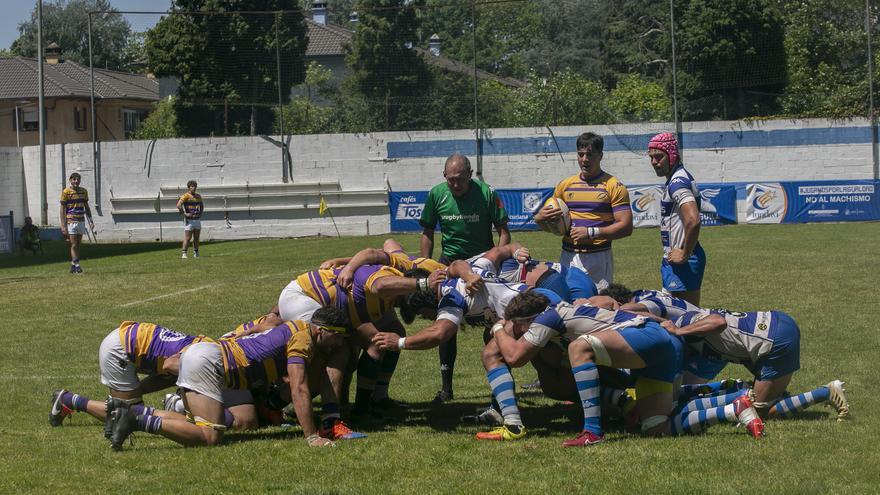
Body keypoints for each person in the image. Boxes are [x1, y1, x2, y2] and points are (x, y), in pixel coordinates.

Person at [482, 291, 764, 442]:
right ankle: (732, 405)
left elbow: (516, 357)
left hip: (647, 337)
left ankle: (592, 431)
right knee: (655, 426)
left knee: (578, 348)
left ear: (525, 320)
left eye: (516, 326)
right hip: (660, 344)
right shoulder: (559, 314)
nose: (515, 331)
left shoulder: (546, 317)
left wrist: (497, 327)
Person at [108, 307, 351, 450]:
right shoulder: (303, 338)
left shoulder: (297, 327)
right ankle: (134, 419)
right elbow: (299, 389)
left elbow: (264, 329)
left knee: (196, 426)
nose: (339, 344)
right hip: (211, 363)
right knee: (209, 436)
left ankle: (133, 415)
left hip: (208, 356)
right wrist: (311, 436)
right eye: (338, 337)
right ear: (322, 330)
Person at [419, 153, 511, 404]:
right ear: (444, 177)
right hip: (449, 266)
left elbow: (504, 231)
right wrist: (425, 267)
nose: (455, 185)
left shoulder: (487, 193)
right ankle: (446, 388)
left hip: (482, 267)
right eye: (451, 180)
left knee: (494, 323)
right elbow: (427, 232)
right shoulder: (436, 194)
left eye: (460, 179)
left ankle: (499, 388)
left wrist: (498, 259)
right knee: (447, 325)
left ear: (470, 174)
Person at [667, 309, 849, 422]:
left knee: (760, 411)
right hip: (776, 321)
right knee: (765, 396)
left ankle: (827, 392)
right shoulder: (687, 325)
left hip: (775, 340)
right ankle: (774, 392)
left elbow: (718, 322)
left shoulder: (684, 328)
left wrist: (678, 331)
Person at [49, 321, 216, 437]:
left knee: (136, 405)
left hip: (130, 341)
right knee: (125, 413)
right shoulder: (205, 359)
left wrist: (138, 390)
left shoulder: (208, 348)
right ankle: (68, 400)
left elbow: (170, 375)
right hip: (121, 349)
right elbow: (171, 367)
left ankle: (172, 404)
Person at [533, 132, 632, 291]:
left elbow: (626, 227)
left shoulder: (614, 186)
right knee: (569, 302)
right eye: (581, 154)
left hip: (598, 257)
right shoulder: (564, 185)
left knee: (598, 304)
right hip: (569, 255)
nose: (584, 159)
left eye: (590, 154)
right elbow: (555, 227)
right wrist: (539, 219)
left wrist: (591, 232)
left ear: (600, 155)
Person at [648, 133, 705, 305]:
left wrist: (684, 253)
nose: (654, 162)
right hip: (676, 259)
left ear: (672, 155)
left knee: (684, 320)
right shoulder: (676, 178)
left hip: (683, 262)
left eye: (659, 157)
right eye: (651, 157)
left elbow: (693, 220)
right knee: (679, 318)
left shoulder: (677, 182)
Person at [59, 172, 94, 273]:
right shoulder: (66, 192)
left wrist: (91, 220)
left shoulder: (84, 191)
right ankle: (77, 265)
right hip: (71, 221)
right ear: (70, 180)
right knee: (73, 244)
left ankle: (73, 265)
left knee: (78, 244)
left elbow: (86, 207)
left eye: (78, 179)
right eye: (74, 179)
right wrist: (63, 225)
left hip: (81, 221)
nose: (76, 181)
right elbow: (62, 209)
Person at [177, 180, 204, 259]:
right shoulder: (185, 196)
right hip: (189, 220)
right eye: (192, 186)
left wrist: (200, 213)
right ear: (189, 187)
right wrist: (185, 214)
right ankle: (184, 253)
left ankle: (196, 253)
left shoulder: (198, 196)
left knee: (196, 237)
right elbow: (178, 205)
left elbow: (202, 206)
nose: (194, 188)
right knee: (188, 238)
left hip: (197, 219)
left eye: (195, 186)